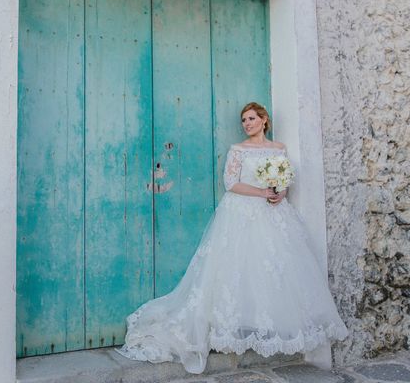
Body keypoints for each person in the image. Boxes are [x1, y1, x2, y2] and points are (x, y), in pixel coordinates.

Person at [115, 102, 348, 374]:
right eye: (243, 120)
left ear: (264, 120)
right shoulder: (238, 150)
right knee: (237, 268)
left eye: (251, 119)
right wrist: (262, 193)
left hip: (275, 214)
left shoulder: (279, 149)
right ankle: (230, 328)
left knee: (272, 269)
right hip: (242, 211)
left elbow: (284, 181)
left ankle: (267, 328)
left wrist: (280, 193)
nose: (246, 124)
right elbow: (231, 182)